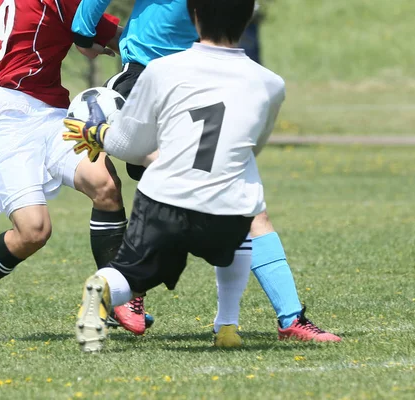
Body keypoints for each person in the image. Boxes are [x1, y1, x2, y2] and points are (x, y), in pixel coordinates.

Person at [71, 0, 341, 344]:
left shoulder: (255, 78)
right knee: (213, 190)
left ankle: (279, 318)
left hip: (197, 76)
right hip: (157, 74)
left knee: (226, 197)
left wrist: (85, 34)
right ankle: (137, 284)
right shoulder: (263, 81)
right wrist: (84, 29)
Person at [0, 0, 125, 340]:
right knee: (33, 232)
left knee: (104, 184)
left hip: (52, 115)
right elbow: (117, 38)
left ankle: (116, 293)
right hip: (9, 120)